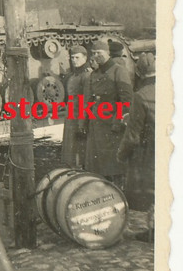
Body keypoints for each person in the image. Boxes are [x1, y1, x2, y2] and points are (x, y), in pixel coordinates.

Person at [84, 39, 133, 186]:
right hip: (96, 123)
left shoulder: (118, 71)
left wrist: (118, 121)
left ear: (107, 53)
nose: (95, 56)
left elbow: (126, 100)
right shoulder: (94, 74)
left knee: (113, 164)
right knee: (97, 163)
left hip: (111, 123)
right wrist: (86, 121)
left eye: (99, 53)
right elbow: (90, 100)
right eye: (93, 53)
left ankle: (117, 190)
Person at [117, 52, 155, 215]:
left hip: (150, 151)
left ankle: (153, 230)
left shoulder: (140, 95)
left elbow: (132, 137)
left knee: (148, 190)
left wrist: (121, 154)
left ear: (138, 73)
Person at [61, 45, 90, 167]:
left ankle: (79, 169)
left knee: (79, 146)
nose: (74, 60)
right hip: (71, 114)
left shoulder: (86, 75)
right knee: (70, 144)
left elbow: (86, 99)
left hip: (80, 115)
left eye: (77, 57)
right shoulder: (73, 75)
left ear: (85, 57)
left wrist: (82, 121)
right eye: (72, 57)